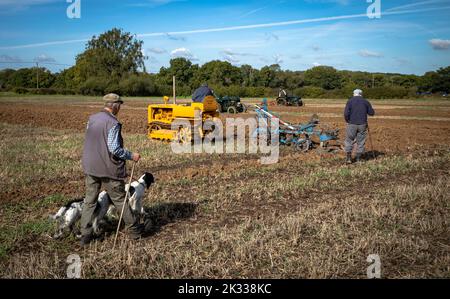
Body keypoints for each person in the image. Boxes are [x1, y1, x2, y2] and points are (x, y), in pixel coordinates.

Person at [80, 93, 142, 246]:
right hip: (108, 168)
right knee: (120, 200)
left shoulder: (92, 118)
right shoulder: (113, 122)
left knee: (90, 201)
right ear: (115, 106)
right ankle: (135, 231)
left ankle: (85, 235)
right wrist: (130, 155)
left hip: (90, 165)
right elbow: (114, 148)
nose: (120, 107)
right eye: (119, 105)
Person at [344, 89, 375, 164]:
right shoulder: (366, 101)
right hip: (362, 124)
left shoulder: (350, 101)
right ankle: (358, 159)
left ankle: (348, 158)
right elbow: (371, 113)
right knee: (361, 141)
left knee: (349, 140)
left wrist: (348, 121)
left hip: (352, 124)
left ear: (354, 94)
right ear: (361, 94)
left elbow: (346, 113)